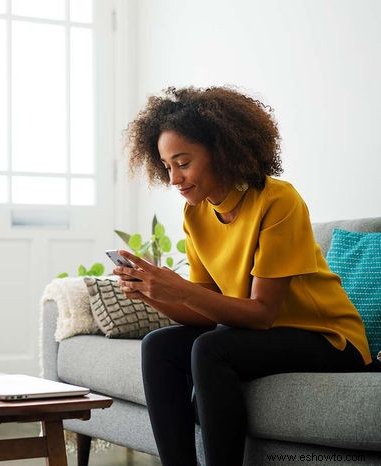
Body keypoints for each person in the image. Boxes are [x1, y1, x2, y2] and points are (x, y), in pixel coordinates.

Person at [114, 86, 375, 466]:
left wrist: (179, 288)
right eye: (167, 166)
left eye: (183, 162)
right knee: (159, 345)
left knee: (211, 348)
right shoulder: (196, 214)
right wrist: (153, 292)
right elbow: (205, 312)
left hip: (328, 338)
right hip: (263, 334)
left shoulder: (277, 200)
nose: (174, 178)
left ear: (220, 152)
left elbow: (261, 313)